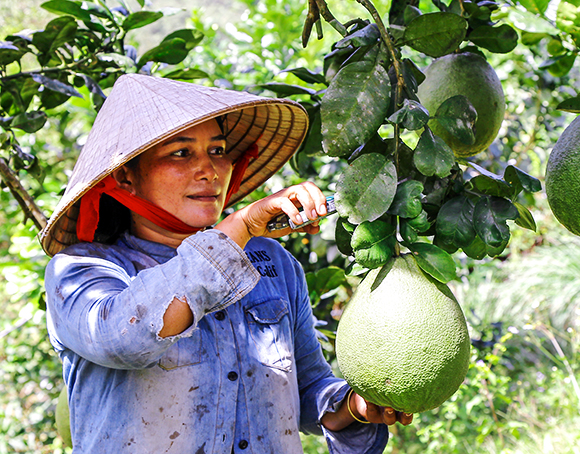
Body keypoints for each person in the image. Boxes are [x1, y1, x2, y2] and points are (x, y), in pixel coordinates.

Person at [40, 74, 412, 454]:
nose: (209, 170)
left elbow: (307, 389)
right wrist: (239, 228)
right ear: (126, 177)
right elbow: (125, 338)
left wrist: (352, 406)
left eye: (217, 151)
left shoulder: (274, 264)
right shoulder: (80, 270)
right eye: (182, 153)